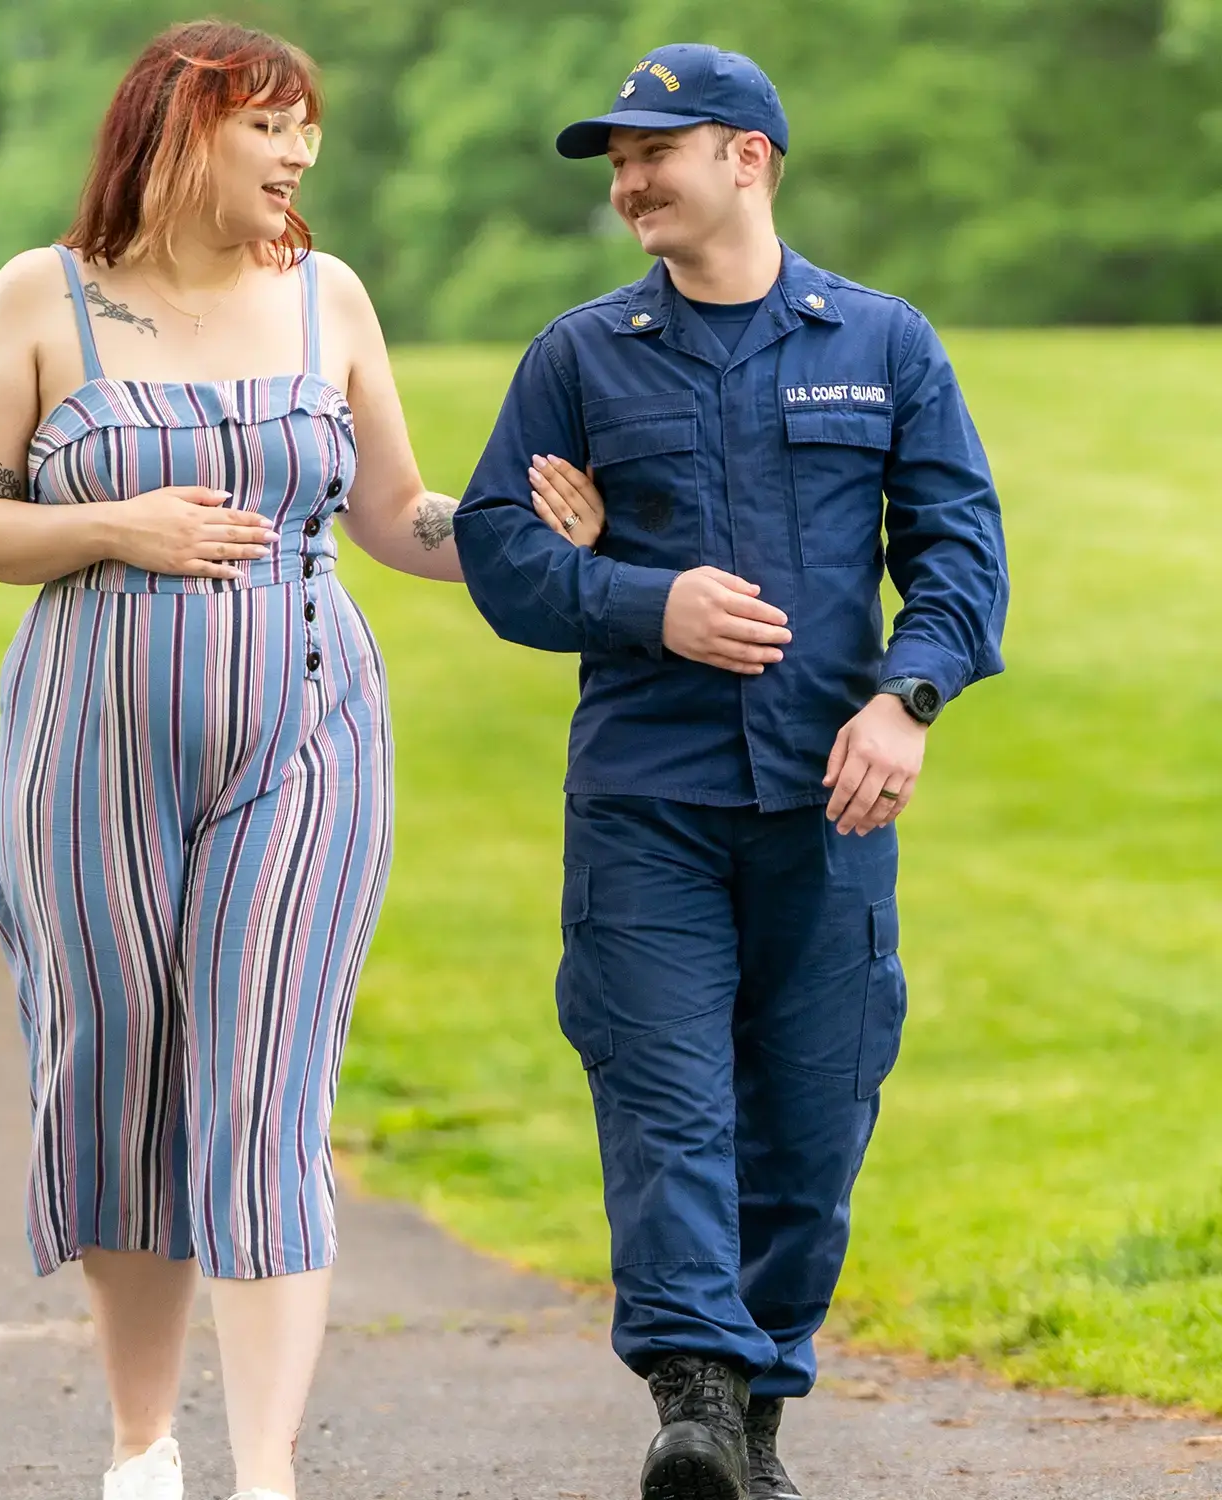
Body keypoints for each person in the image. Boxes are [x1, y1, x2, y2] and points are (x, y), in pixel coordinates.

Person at [0, 21, 602, 1500]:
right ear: (178, 132)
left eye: (310, 133)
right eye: (271, 129)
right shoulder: (45, 299)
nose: (300, 157)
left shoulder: (329, 299)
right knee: (110, 1069)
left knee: (265, 1085)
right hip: (88, 743)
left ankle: (269, 1473)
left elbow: (394, 515)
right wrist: (118, 526)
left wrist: (514, 531)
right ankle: (139, 1447)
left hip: (306, 735)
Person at [454, 43, 1009, 1500]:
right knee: (666, 1096)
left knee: (815, 1111)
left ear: (748, 158)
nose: (629, 180)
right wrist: (648, 600)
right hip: (649, 801)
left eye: (655, 151)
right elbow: (503, 557)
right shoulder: (579, 357)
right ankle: (694, 1393)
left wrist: (908, 702)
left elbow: (958, 555)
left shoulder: (881, 344)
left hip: (829, 805)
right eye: (619, 161)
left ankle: (753, 1417)